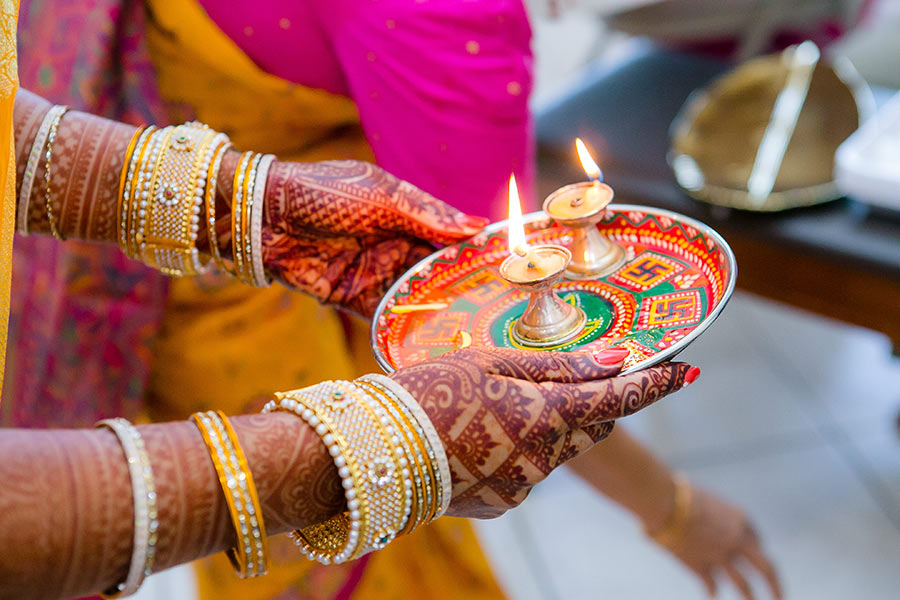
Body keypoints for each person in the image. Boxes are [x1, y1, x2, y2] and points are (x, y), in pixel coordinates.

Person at [7, 2, 781, 599]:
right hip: (272, 354)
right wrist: (374, 452)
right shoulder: (445, 22)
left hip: (223, 292)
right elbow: (513, 346)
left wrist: (242, 207)